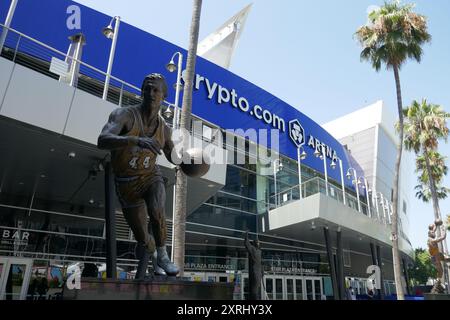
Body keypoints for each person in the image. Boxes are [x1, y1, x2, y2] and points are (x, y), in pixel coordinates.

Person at [98, 73, 182, 279]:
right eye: (147, 89)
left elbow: (173, 155)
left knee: (157, 209)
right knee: (143, 237)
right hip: (126, 184)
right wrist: (135, 140)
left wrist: (191, 162)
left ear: (164, 96)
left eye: (156, 90)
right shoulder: (124, 115)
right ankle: (154, 252)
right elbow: (102, 140)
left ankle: (163, 255)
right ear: (141, 91)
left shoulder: (165, 129)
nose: (151, 93)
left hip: (150, 176)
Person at [427, 219, 450, 293]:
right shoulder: (432, 240)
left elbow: (433, 229)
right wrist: (444, 230)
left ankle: (438, 283)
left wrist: (436, 224)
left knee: (448, 258)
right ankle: (437, 283)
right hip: (435, 258)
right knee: (441, 271)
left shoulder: (431, 236)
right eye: (433, 233)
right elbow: (443, 237)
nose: (434, 233)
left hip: (437, 255)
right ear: (430, 234)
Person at [244, 231, 263, 300]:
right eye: (257, 242)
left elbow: (260, 263)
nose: (258, 243)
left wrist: (262, 270)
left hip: (257, 272)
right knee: (255, 290)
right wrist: (246, 235)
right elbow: (247, 244)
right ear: (255, 243)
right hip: (256, 272)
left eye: (259, 242)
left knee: (255, 290)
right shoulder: (256, 250)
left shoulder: (257, 251)